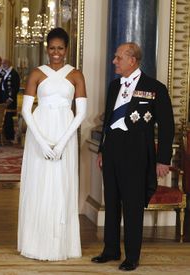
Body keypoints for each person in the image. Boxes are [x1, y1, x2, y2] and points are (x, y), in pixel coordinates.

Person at [91, 42, 174, 271]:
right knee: (112, 201)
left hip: (137, 154)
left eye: (118, 58)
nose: (114, 61)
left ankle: (132, 256)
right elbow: (108, 120)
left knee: (132, 206)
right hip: (113, 151)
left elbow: (167, 126)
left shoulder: (155, 87)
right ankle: (110, 250)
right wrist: (101, 151)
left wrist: (163, 159)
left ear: (132, 60)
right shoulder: (113, 86)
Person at [17, 27, 87, 261]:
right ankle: (35, 243)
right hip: (40, 133)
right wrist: (43, 143)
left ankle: (61, 245)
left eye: (60, 48)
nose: (56, 52)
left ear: (66, 50)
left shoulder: (76, 74)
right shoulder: (37, 73)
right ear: (46, 49)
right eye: (52, 48)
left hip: (65, 134)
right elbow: (27, 110)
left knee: (61, 186)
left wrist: (61, 143)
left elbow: (81, 113)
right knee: (39, 184)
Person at [1, 58, 20, 142]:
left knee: (9, 118)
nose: (3, 65)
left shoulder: (14, 73)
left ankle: (10, 136)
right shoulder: (5, 72)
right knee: (5, 118)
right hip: (4, 98)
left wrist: (10, 98)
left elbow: (15, 88)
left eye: (4, 63)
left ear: (8, 63)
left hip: (10, 100)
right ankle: (6, 135)